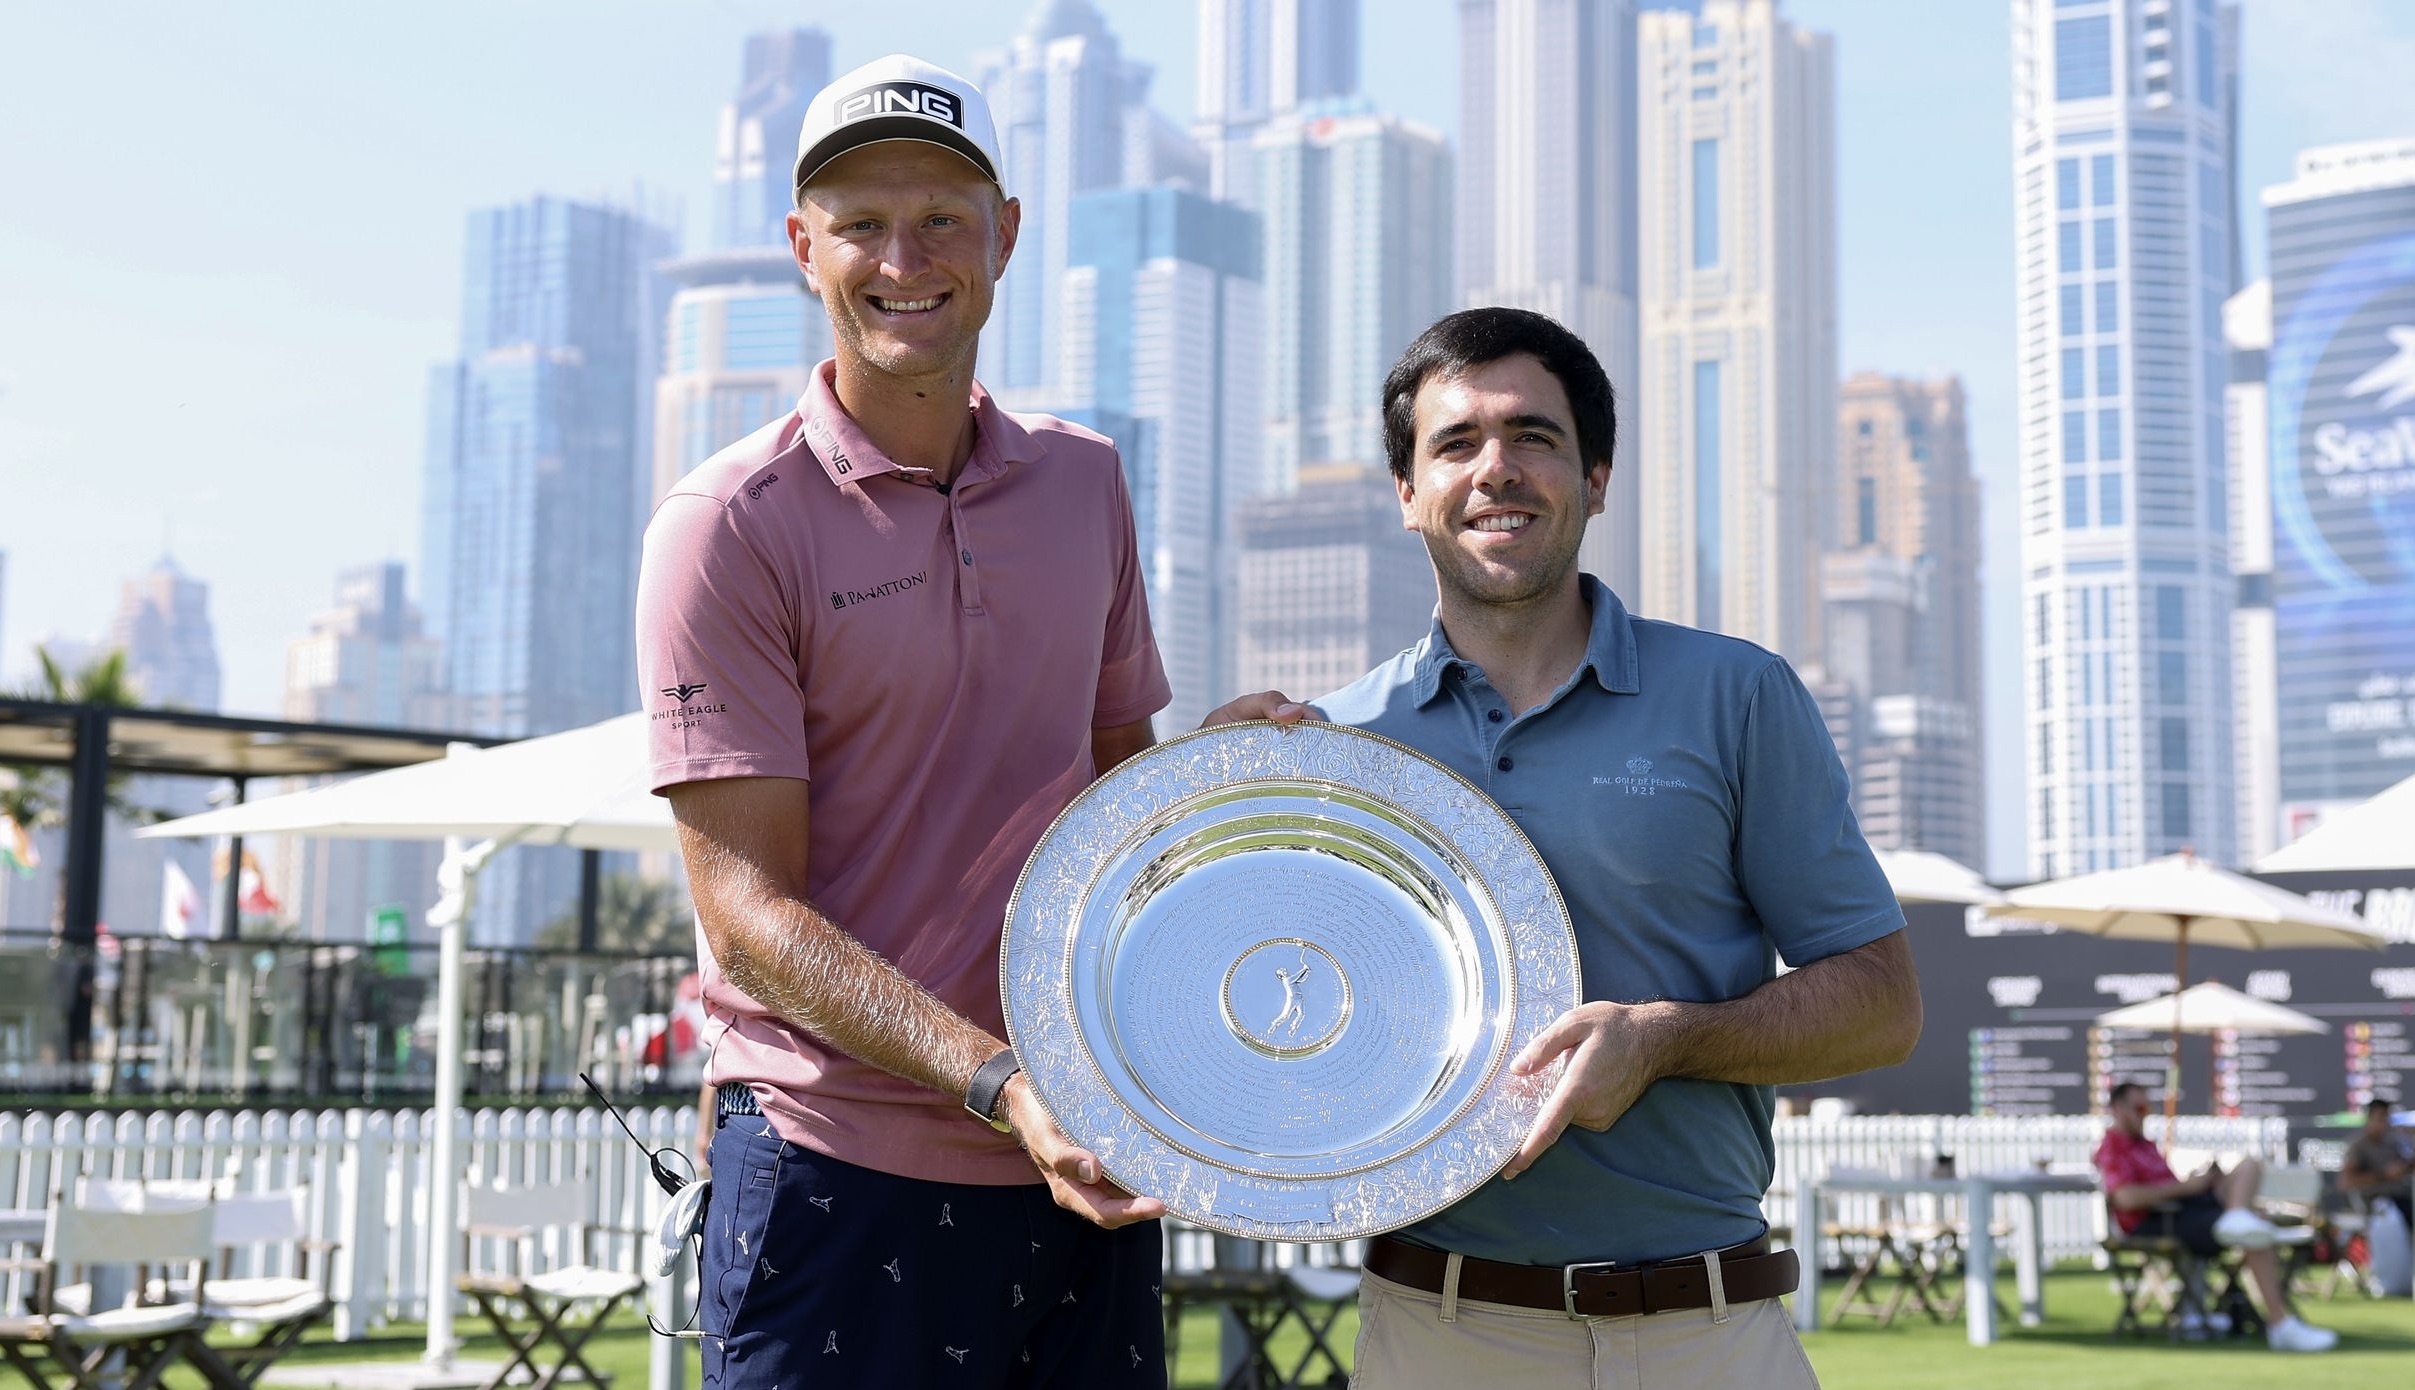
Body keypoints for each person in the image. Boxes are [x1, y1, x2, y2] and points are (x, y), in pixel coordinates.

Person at [1210, 306, 1923, 1387]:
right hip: (1438, 1333)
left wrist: (1665, 1041)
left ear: (1596, 478)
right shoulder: (1331, 751)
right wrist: (1210, 820)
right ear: (1407, 492)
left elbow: (1882, 1003)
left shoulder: (1736, 696)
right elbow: (1253, 1025)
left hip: (1706, 1328)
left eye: (1532, 436)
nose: (1495, 468)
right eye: (1455, 443)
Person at [635, 53, 1171, 1389]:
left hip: (1077, 1163)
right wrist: (998, 1080)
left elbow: (1123, 794)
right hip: (831, 1169)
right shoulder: (725, 527)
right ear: (800, 247)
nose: (902, 259)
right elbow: (745, 915)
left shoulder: (1087, 483)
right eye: (861, 222)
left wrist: (1232, 773)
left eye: (940, 217)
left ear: (1005, 236)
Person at [2093, 1080, 2336, 1351]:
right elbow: (2125, 1199)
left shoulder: (2146, 1145)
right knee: (2253, 1233)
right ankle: (2280, 1323)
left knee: (2249, 1166)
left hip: (2185, 1210)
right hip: (2157, 1222)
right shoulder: (2113, 1146)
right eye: (2139, 1108)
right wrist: (2185, 1188)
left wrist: (2201, 1182)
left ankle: (2237, 1214)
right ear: (2118, 1108)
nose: (2145, 1115)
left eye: (2147, 1108)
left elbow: (2172, 1187)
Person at [2341, 1096, 2413, 1234]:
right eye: (2380, 1118)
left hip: (2402, 1199)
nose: (2385, 1123)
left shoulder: (2395, 1142)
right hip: (2374, 1203)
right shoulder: (2359, 1146)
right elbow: (2346, 1182)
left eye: (2387, 1118)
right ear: (2369, 1118)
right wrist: (2384, 1175)